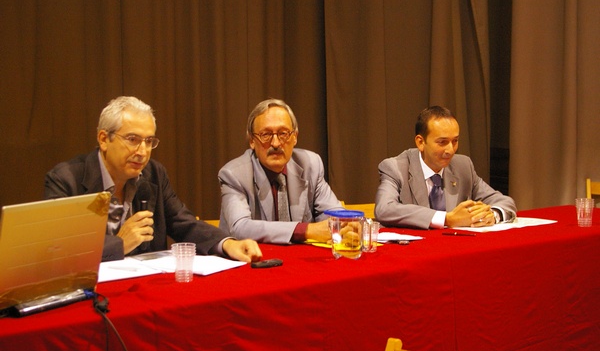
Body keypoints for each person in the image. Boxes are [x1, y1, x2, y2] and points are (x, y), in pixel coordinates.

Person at [45, 96, 262, 263]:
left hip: (144, 286)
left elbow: (182, 222)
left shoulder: (154, 173)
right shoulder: (67, 180)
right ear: (104, 139)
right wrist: (119, 243)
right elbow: (61, 250)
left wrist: (227, 244)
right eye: (132, 139)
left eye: (149, 141)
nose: (142, 151)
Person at [218, 99, 344, 243]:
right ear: (252, 141)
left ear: (295, 137)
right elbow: (241, 228)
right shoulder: (234, 175)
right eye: (266, 135)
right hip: (254, 261)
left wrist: (345, 225)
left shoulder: (311, 164)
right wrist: (306, 230)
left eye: (283, 133)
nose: (276, 143)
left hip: (300, 261)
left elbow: (333, 214)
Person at [375, 105, 516, 229]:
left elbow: (504, 201)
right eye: (442, 142)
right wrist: (447, 219)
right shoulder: (395, 168)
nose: (451, 150)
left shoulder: (463, 166)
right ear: (420, 142)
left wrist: (492, 215)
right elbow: (385, 209)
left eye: (455, 141)